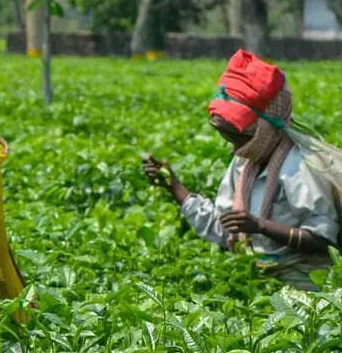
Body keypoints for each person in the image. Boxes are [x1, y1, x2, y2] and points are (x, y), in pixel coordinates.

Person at [144, 49, 341, 289]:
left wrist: (260, 227)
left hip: (305, 287)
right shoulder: (246, 163)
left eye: (238, 138)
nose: (234, 150)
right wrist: (174, 187)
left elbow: (323, 240)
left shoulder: (300, 168)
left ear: (264, 129)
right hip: (256, 281)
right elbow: (226, 227)